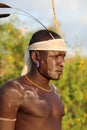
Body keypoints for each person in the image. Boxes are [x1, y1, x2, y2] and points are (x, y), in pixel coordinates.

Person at [0, 29, 66, 130]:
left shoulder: (55, 92)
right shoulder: (13, 91)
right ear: (35, 57)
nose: (62, 63)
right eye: (55, 56)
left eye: (63, 56)